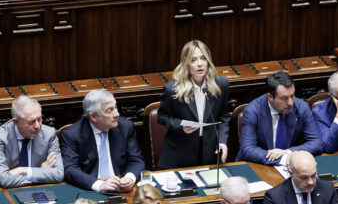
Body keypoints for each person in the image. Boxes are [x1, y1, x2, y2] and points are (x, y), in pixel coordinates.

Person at [156, 39, 230, 168]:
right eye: (193, 60)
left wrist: (222, 141)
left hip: (209, 151)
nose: (200, 64)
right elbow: (162, 117)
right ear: (186, 64)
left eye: (203, 59)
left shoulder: (221, 85)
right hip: (180, 153)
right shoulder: (173, 89)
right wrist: (180, 126)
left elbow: (224, 116)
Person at [61, 89, 145, 191]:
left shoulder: (125, 127)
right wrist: (99, 184)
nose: (117, 114)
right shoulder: (73, 134)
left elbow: (136, 160)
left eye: (116, 107)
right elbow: (70, 169)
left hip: (121, 186)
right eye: (110, 110)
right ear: (93, 116)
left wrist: (130, 177)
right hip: (90, 188)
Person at [237, 70, 321, 166]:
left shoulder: (302, 107)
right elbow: (248, 149)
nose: (290, 103)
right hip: (258, 164)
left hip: (290, 165)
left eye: (292, 96)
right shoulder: (253, 111)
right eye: (284, 98)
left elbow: (316, 143)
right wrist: (283, 159)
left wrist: (288, 152)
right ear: (270, 97)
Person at [0, 96, 63, 188]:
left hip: (37, 190)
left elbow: (58, 174)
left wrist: (24, 171)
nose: (38, 126)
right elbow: (4, 180)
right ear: (15, 122)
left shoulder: (49, 134)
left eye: (39, 119)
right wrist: (41, 173)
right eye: (31, 122)